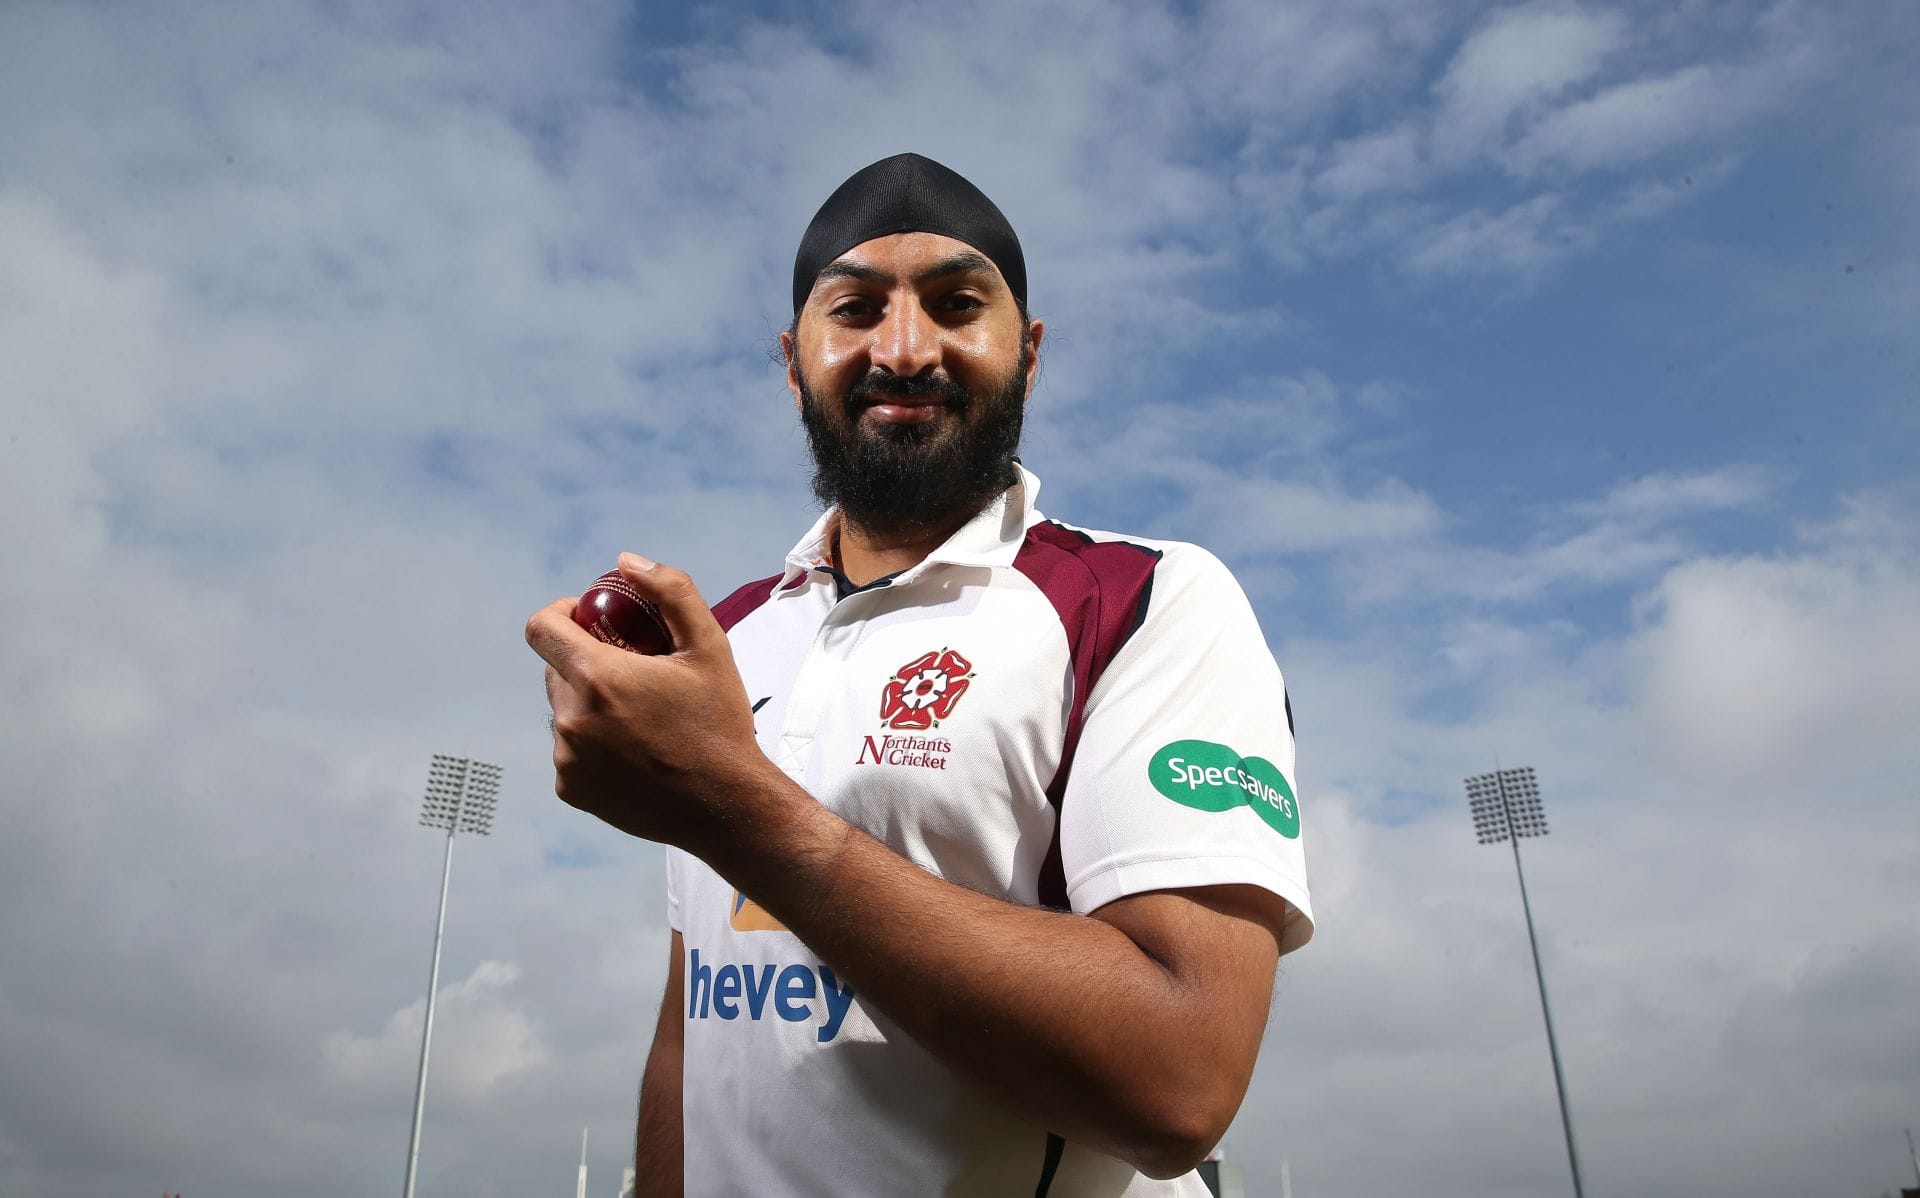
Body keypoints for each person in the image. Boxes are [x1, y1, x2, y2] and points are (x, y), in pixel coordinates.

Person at [527, 152, 1314, 1197]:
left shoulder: (1145, 598)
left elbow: (1179, 1082)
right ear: (793, 357)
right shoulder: (726, 637)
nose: (904, 348)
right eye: (853, 310)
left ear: (1028, 353)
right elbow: (696, 1032)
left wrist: (732, 804)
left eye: (956, 305)